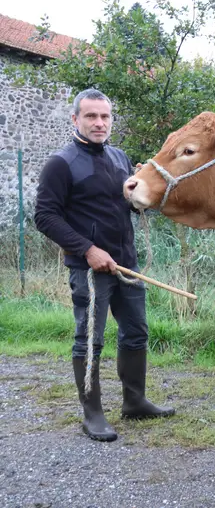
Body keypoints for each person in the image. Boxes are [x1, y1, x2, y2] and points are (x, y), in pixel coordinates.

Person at [34, 88, 175, 442]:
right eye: (91, 116)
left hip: (127, 265)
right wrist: (87, 250)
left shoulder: (118, 157)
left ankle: (135, 401)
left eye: (105, 116)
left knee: (137, 332)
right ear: (75, 119)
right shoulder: (61, 163)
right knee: (88, 340)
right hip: (89, 268)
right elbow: (45, 216)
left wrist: (139, 195)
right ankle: (93, 414)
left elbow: (124, 204)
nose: (100, 123)